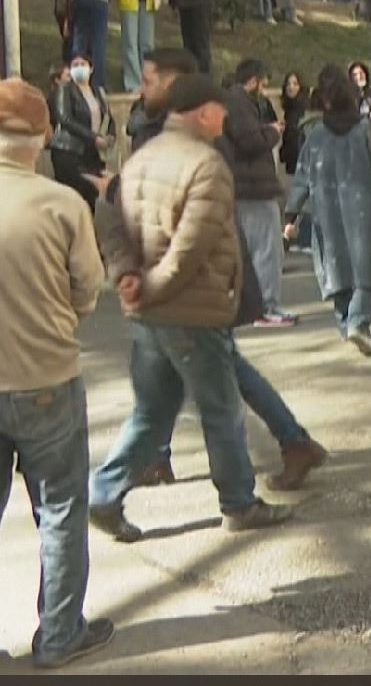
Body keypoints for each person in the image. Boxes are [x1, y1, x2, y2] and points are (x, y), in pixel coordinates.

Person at [90, 75, 294, 541]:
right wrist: (154, 285)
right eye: (220, 111)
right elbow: (193, 244)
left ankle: (102, 493)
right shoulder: (206, 164)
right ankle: (239, 502)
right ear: (202, 112)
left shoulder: (140, 159)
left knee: (153, 412)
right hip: (191, 309)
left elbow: (110, 216)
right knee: (221, 409)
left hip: (150, 312)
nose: (225, 118)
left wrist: (128, 277)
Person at [0, 79, 116, 669]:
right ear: (43, 134)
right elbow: (87, 288)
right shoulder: (61, 204)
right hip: (45, 374)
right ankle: (59, 633)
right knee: (62, 509)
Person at [284, 71, 371, 357]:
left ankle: (346, 322)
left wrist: (291, 214)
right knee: (365, 269)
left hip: (327, 213)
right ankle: (359, 324)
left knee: (335, 269)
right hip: (365, 211)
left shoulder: (315, 135)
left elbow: (301, 177)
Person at [222, 59, 296, 328]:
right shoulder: (239, 104)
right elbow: (250, 141)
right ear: (252, 81)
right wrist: (272, 132)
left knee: (250, 251)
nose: (264, 90)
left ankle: (254, 306)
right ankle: (267, 307)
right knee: (267, 249)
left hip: (244, 186)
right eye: (263, 84)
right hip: (253, 186)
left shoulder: (233, 103)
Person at [49, 52, 117, 208]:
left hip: (92, 153)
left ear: (91, 68)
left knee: (91, 198)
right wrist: (94, 137)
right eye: (75, 65)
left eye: (83, 64)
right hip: (70, 151)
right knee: (74, 197)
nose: (79, 68)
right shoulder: (65, 89)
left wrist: (110, 137)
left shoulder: (99, 92)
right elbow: (64, 118)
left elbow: (108, 118)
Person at [279, 73, 308, 175]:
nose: (291, 87)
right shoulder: (290, 108)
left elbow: (294, 135)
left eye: (295, 84)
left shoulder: (300, 108)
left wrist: (284, 153)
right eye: (288, 84)